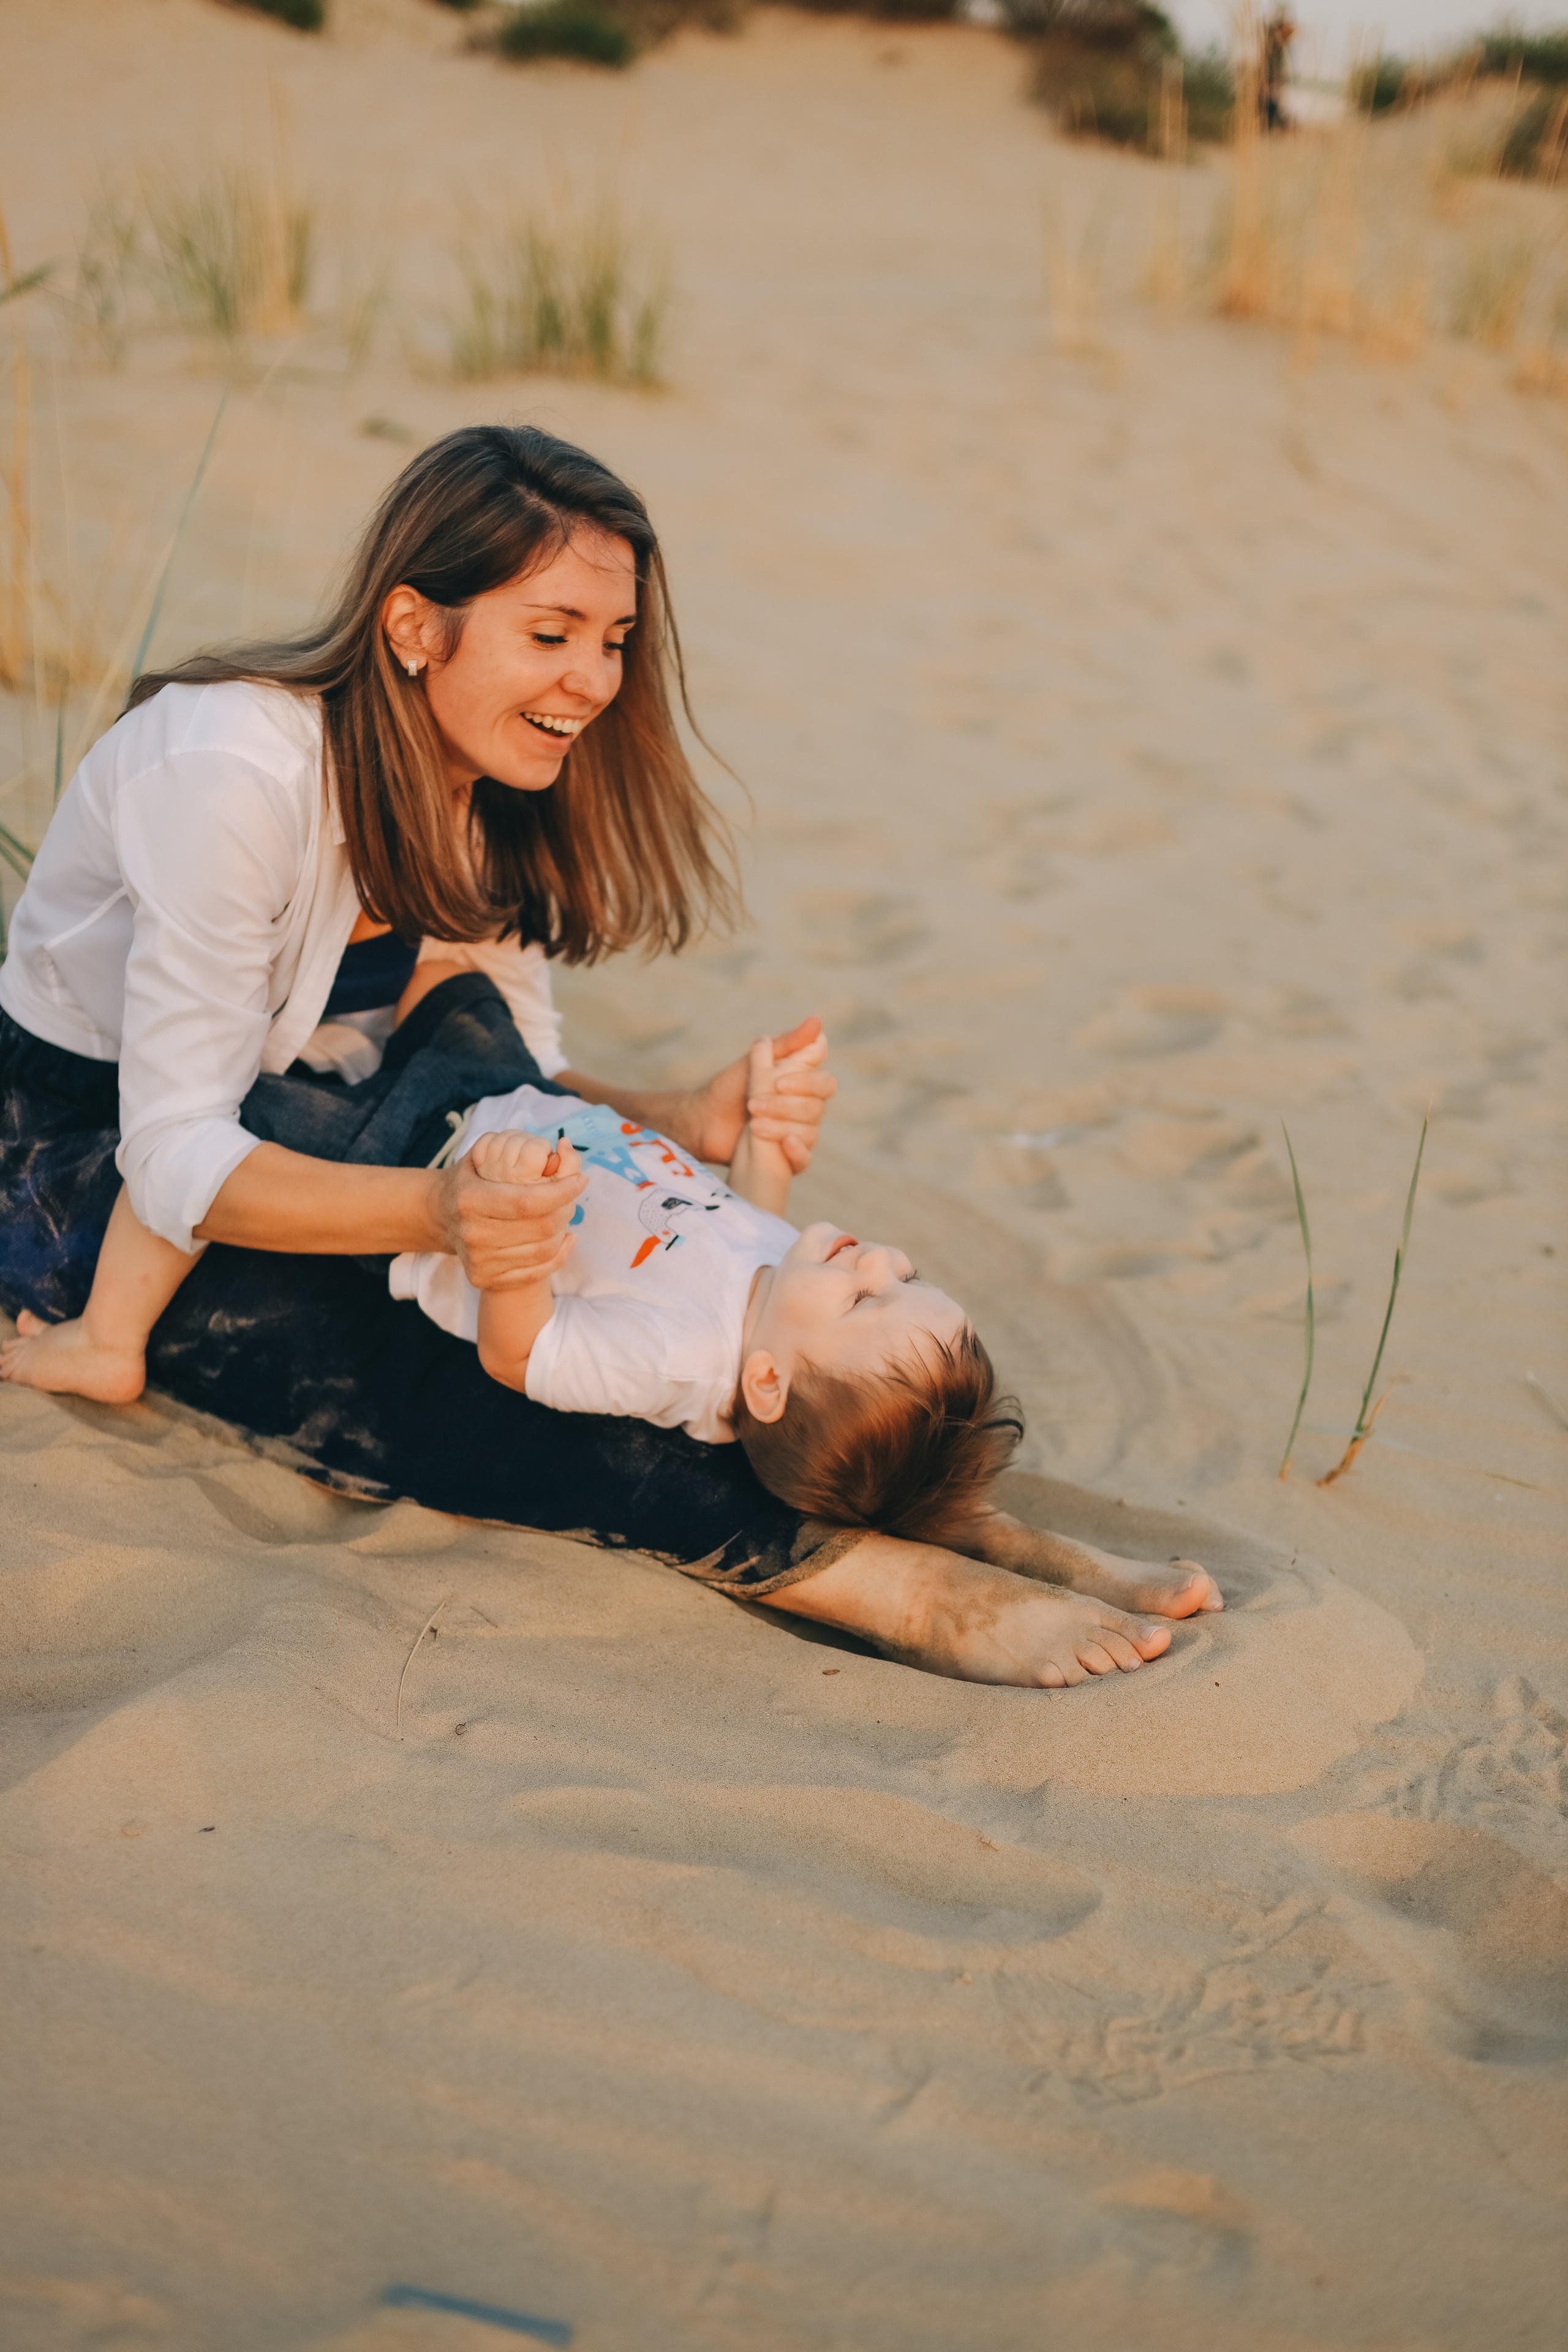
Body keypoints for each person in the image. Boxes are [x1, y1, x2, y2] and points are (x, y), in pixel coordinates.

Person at [0, 422, 1221, 1685]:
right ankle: (885, 1581)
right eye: (552, 634)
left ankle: (933, 1505)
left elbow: (513, 1084)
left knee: (705, 1356)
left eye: (614, 642)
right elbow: (177, 1148)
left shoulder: (487, 781)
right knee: (493, 1393)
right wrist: (438, 1215)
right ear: (416, 626)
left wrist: (681, 1118)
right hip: (80, 1158)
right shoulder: (232, 773)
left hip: (342, 1125)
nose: (594, 679)